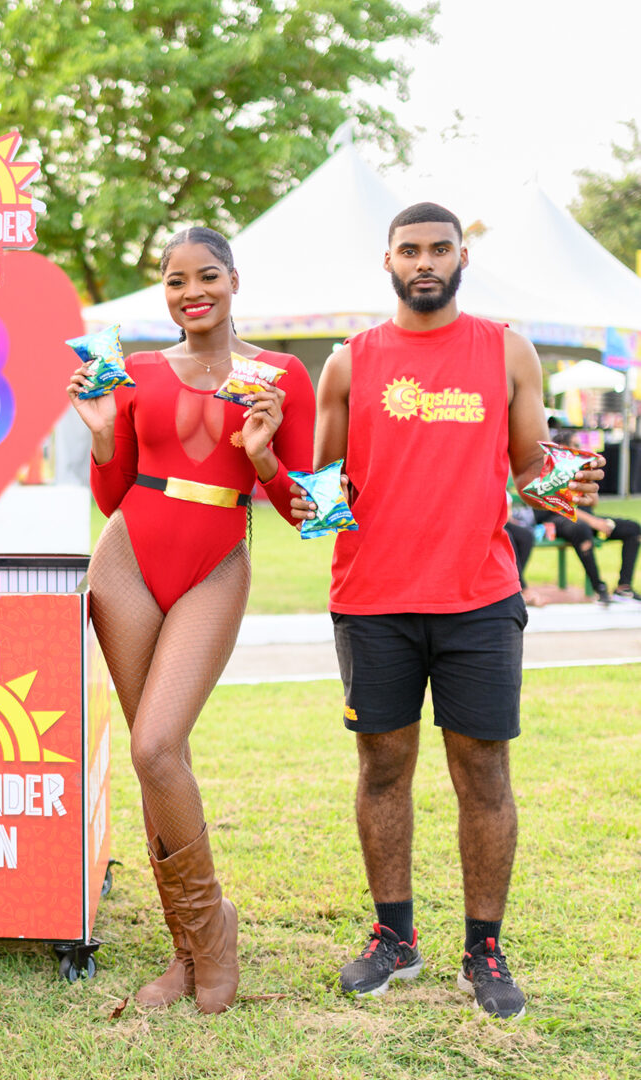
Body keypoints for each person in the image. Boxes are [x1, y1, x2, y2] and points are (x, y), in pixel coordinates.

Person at [300, 203, 603, 1019]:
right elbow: (320, 490)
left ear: (462, 257)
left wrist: (568, 484)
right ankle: (395, 938)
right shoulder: (349, 364)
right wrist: (273, 464)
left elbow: (530, 471)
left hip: (480, 600)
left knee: (485, 774)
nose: (425, 262)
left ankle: (484, 950)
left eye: (439, 249)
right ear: (388, 261)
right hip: (373, 601)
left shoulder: (506, 350)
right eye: (410, 250)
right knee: (382, 769)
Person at [67, 227, 315, 1013]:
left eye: (206, 275)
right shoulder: (136, 371)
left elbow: (308, 511)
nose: (191, 292)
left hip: (217, 562)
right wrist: (102, 434)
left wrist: (266, 455)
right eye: (175, 281)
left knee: (155, 744)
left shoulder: (281, 375)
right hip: (126, 560)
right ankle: (189, 950)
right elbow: (113, 492)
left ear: (234, 280)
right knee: (158, 761)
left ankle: (214, 933)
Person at [535, 505, 640, 605]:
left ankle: (624, 588)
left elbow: (592, 502)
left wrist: (590, 497)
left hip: (585, 517)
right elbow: (556, 504)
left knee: (633, 529)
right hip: (555, 518)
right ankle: (599, 588)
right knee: (581, 529)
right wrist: (593, 522)